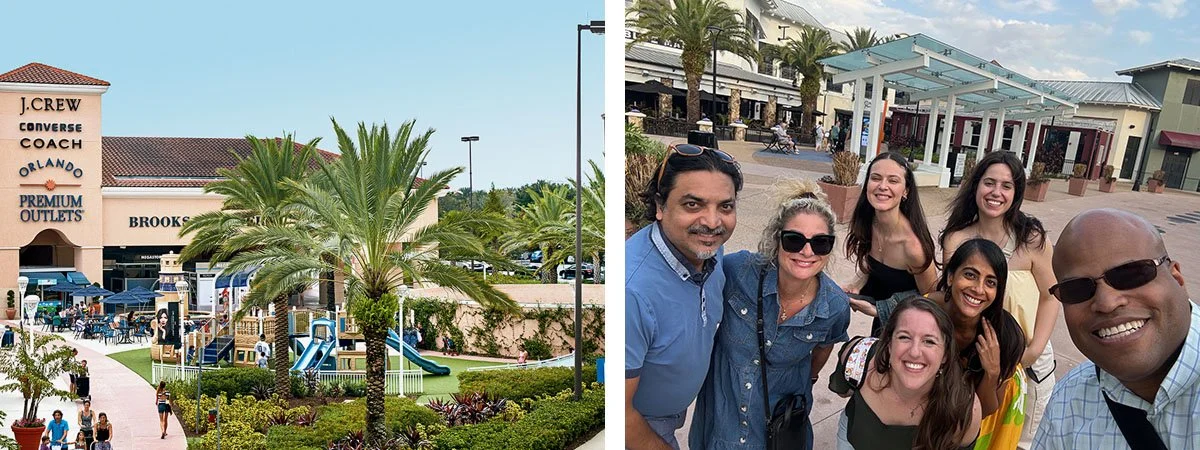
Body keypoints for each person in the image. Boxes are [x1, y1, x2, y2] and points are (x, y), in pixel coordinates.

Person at [689, 180, 850, 449]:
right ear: (777, 239)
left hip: (779, 429)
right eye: (794, 240)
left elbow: (824, 346)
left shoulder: (834, 306)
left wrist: (808, 378)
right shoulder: (738, 271)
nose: (807, 251)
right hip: (722, 422)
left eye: (820, 243)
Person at [1035, 208, 1199, 448]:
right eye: (1077, 289)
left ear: (1176, 278)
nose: (1107, 303)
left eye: (1131, 274)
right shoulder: (1067, 402)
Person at [627, 142, 742, 449]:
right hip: (642, 426)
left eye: (725, 207)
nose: (712, 222)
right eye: (693, 205)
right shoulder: (632, 292)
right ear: (660, 206)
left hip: (677, 414)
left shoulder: (709, 253)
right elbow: (619, 414)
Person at [940, 151, 1057, 448]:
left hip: (1027, 364)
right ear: (976, 185)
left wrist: (1033, 351)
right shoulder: (956, 240)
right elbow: (949, 297)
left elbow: (1051, 297)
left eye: (1007, 186)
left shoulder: (1032, 240)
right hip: (973, 363)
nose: (996, 192)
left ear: (1016, 194)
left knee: (1022, 441)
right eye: (989, 182)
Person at [831, 297, 980, 449]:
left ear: (945, 355)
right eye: (904, 337)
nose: (914, 352)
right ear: (889, 344)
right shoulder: (857, 359)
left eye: (929, 341)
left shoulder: (964, 408)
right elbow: (843, 390)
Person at [846, 152, 938, 337]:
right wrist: (856, 284)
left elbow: (931, 297)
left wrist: (880, 309)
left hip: (910, 331)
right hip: (881, 326)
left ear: (906, 191)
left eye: (893, 181)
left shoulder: (913, 247)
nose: (882, 186)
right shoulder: (868, 224)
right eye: (875, 178)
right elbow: (874, 266)